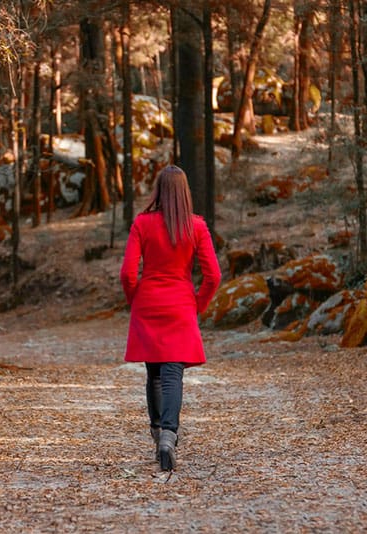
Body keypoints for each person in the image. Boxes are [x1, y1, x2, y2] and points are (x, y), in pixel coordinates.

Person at [119, 165, 221, 471]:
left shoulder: (142, 223)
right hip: (180, 304)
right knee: (173, 374)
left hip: (148, 302)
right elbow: (213, 276)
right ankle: (168, 435)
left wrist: (134, 299)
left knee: (155, 374)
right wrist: (197, 304)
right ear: (185, 191)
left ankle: (156, 432)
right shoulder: (196, 227)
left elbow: (127, 273)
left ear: (158, 190)